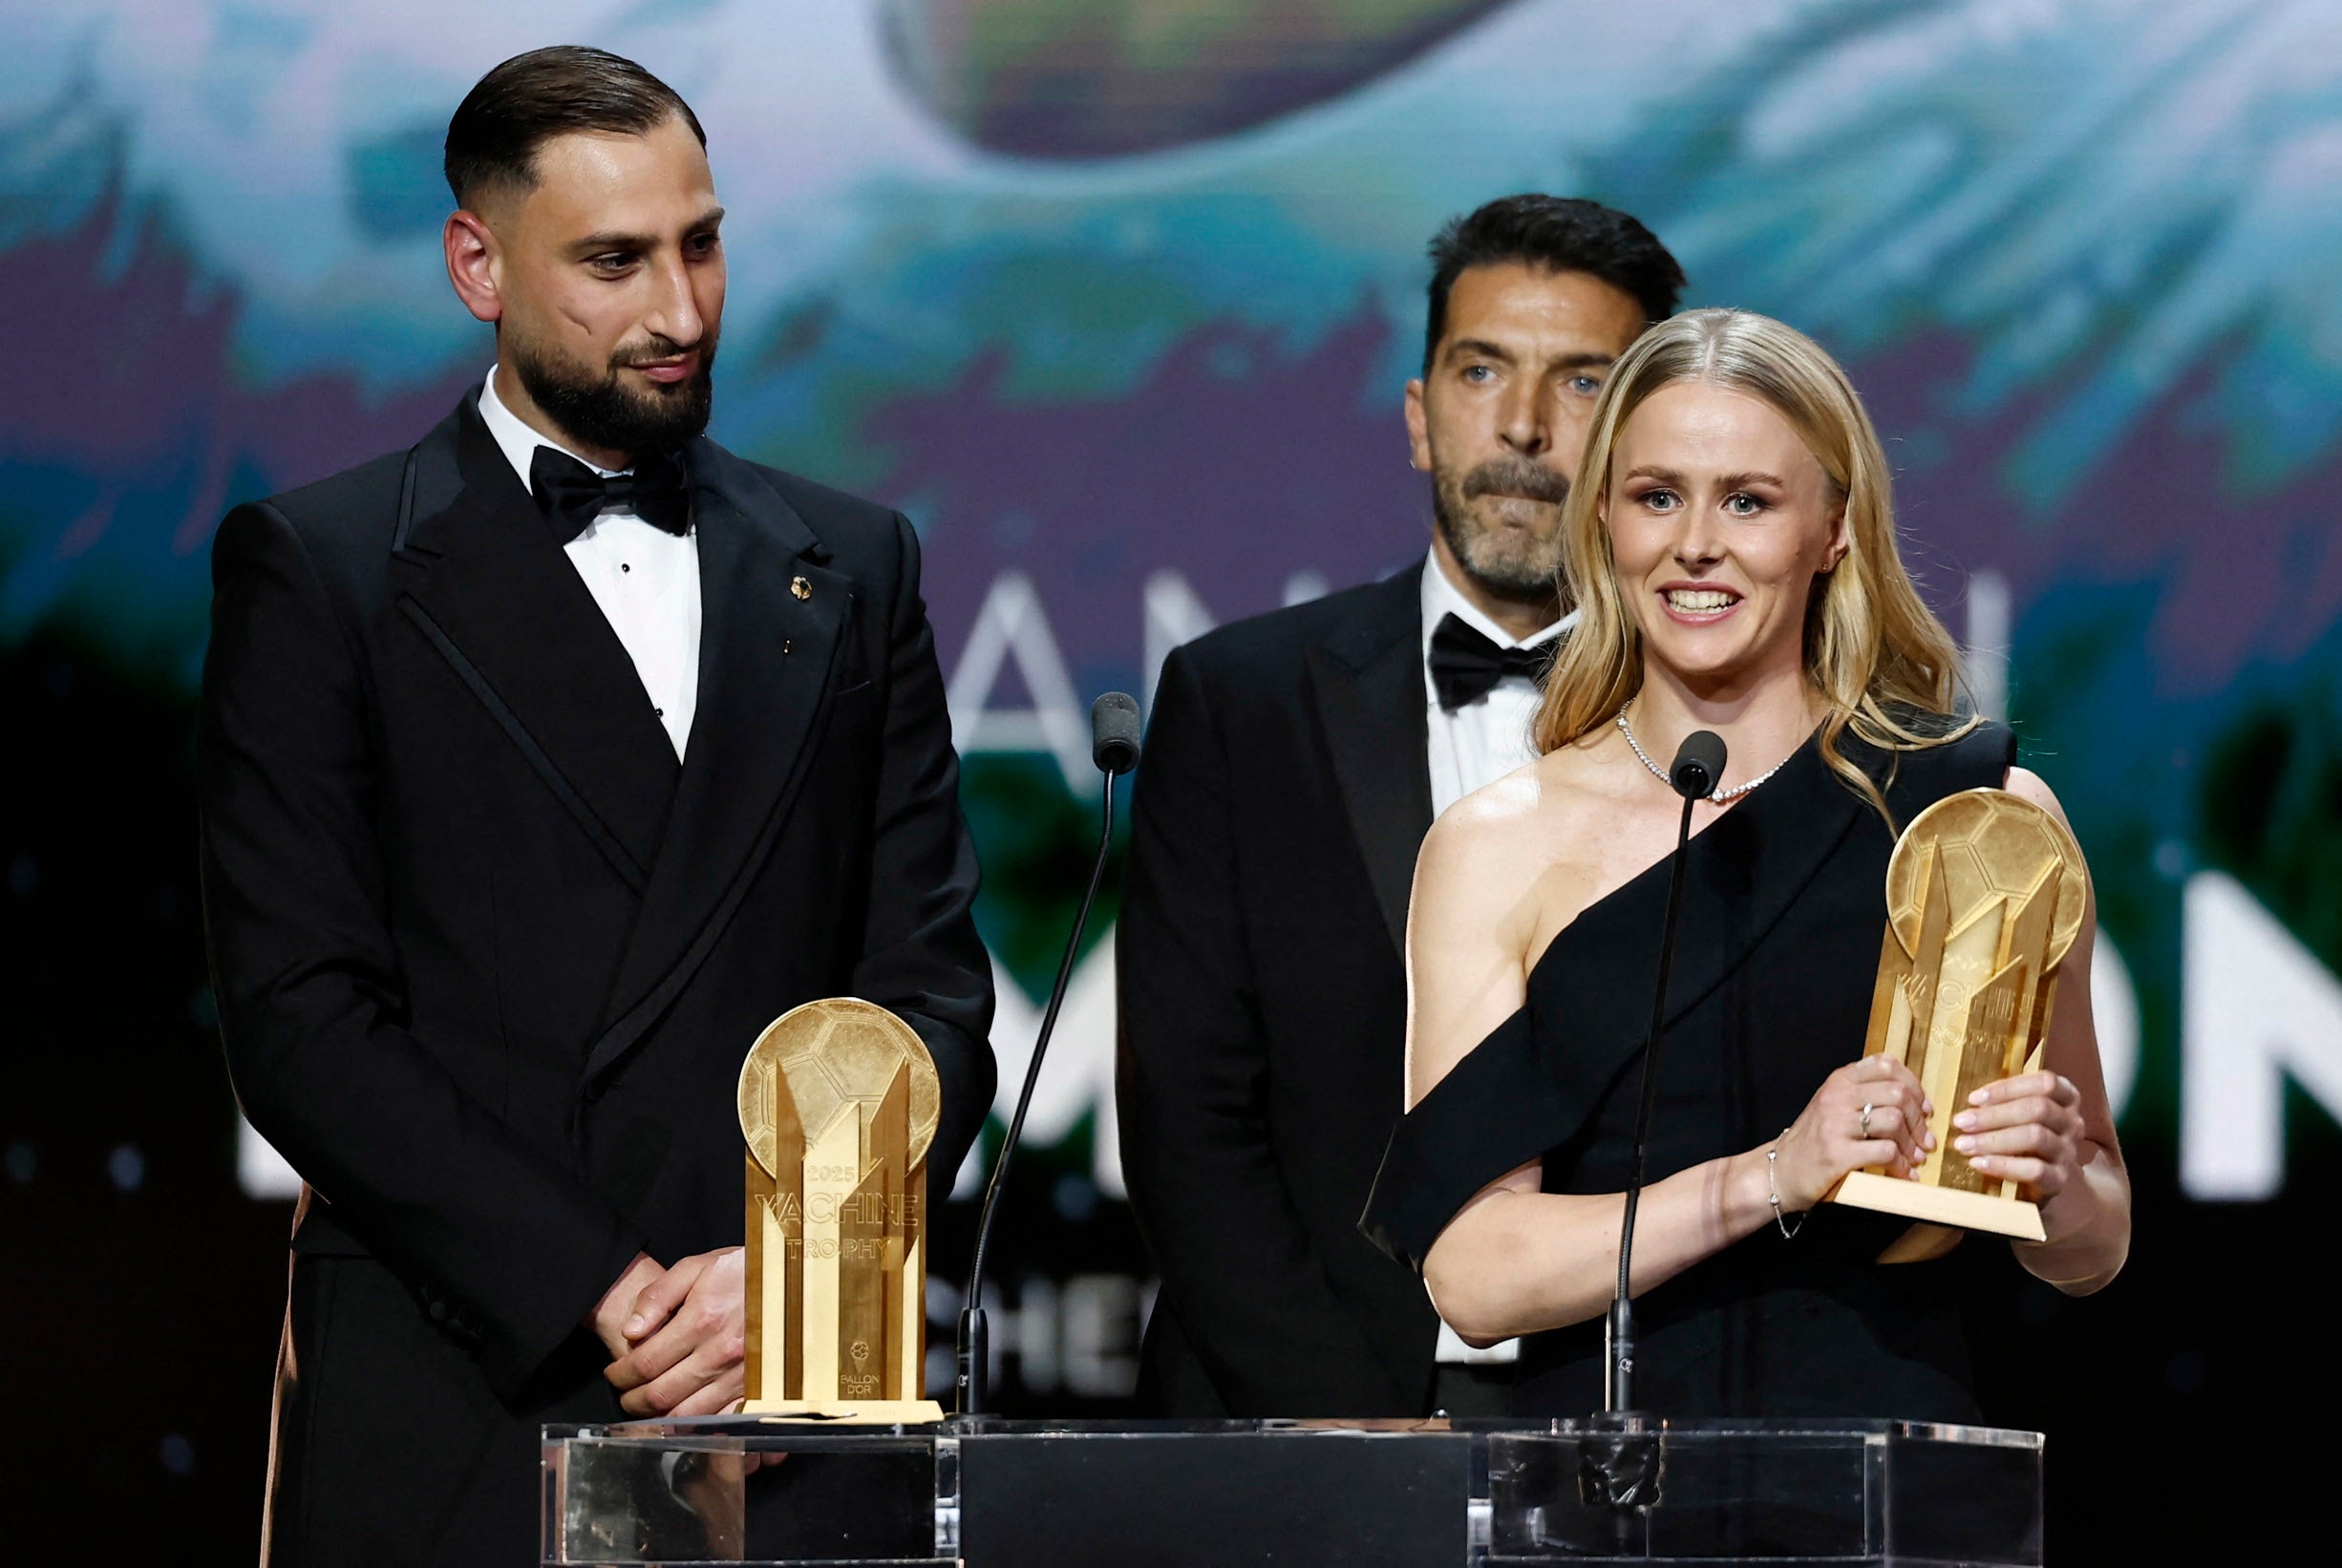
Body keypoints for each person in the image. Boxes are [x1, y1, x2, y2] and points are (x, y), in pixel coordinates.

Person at [197, 47, 994, 1563]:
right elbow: (301, 1018)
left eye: (700, 243)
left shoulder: (850, 560)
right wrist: (608, 1290)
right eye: (614, 262)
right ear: (476, 263)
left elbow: (929, 986)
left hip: (792, 1381)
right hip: (470, 1376)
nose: (681, 311)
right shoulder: (327, 570)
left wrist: (799, 1268)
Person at [1361, 307, 2130, 1420]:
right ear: (1604, 521)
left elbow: (2094, 1240)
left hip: (1890, 1469)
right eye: (1656, 496)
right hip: (1598, 1480)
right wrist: (1771, 1174)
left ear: (1834, 529)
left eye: (1749, 501)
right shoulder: (1495, 844)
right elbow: (1472, 1276)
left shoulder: (1981, 819)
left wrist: (2055, 1183)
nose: (1696, 546)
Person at [1117, 196, 1685, 1418]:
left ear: (1655, 438)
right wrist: (1341, 1419)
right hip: (1289, 1417)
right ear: (1421, 419)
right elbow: (1186, 1124)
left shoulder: (1728, 731)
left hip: (1634, 1424)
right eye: (1482, 371)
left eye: (1581, 382)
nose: (1523, 427)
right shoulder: (1239, 701)